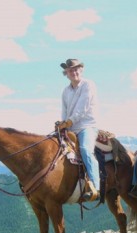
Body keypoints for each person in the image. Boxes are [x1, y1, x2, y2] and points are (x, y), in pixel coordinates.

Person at [55, 58, 100, 201]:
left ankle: (95, 186)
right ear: (66, 73)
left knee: (86, 149)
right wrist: (62, 124)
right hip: (70, 128)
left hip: (87, 126)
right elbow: (65, 111)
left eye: (75, 69)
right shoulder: (65, 91)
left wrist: (68, 122)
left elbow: (82, 108)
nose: (73, 72)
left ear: (81, 70)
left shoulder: (88, 85)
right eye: (70, 70)